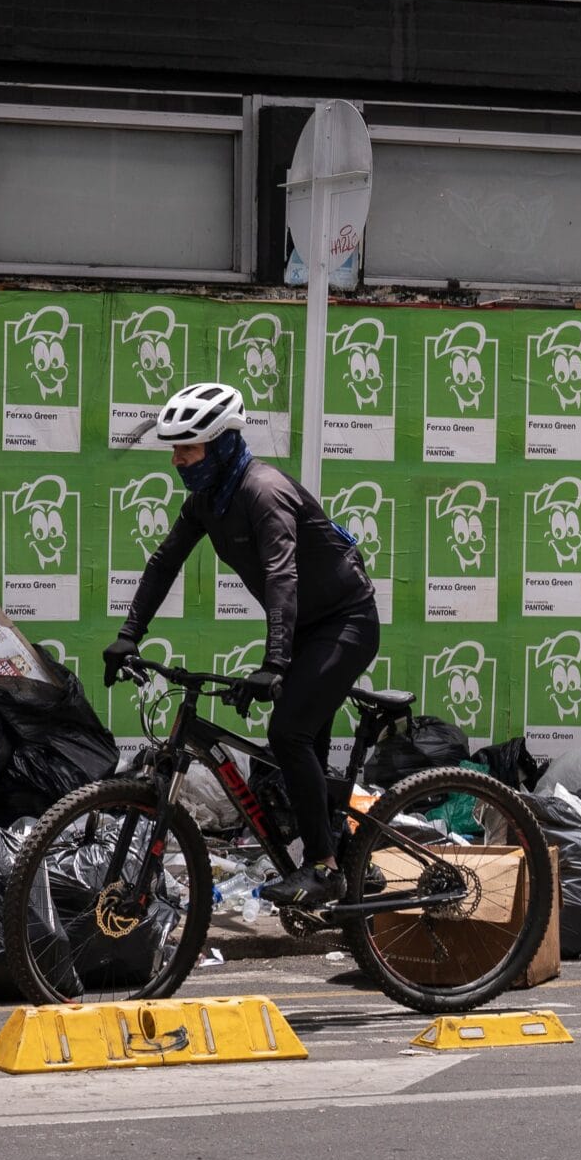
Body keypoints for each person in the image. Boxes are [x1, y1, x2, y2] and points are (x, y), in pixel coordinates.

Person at [104, 381, 380, 908]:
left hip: (346, 622)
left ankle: (324, 869)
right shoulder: (207, 501)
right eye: (174, 450)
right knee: (301, 753)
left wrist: (275, 662)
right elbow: (164, 563)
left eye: (188, 449)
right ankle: (349, 860)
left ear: (222, 444)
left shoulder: (263, 491)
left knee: (289, 733)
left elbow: (281, 575)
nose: (177, 461)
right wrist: (127, 635)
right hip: (306, 628)